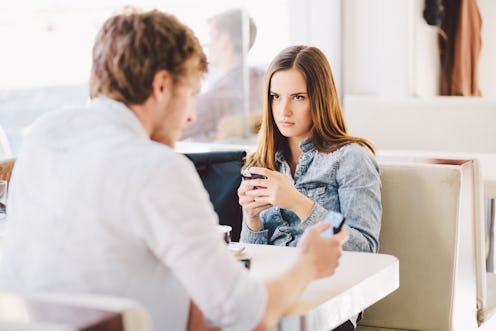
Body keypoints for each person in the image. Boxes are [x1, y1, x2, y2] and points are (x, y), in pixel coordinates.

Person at [0, 10, 348, 331]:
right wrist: (307, 265)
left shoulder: (44, 136)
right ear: (162, 85)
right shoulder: (157, 168)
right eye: (191, 94)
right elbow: (247, 313)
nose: (192, 116)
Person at [238, 45, 382, 330]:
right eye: (275, 97)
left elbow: (364, 249)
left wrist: (298, 203)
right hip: (274, 295)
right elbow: (252, 260)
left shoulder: (351, 158)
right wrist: (251, 220)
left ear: (320, 99)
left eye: (298, 97)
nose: (284, 110)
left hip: (330, 303)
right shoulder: (260, 162)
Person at [180, 8, 265, 141]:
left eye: (211, 38)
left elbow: (174, 130)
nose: (206, 46)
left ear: (225, 40)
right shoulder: (263, 79)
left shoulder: (214, 98)